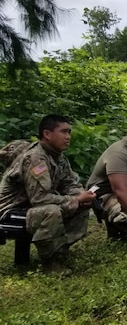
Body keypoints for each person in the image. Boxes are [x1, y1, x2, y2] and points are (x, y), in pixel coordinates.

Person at [0, 115, 96, 272]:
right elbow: (40, 199)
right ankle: (50, 262)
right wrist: (76, 199)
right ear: (47, 134)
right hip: (10, 210)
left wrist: (81, 195)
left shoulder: (58, 157)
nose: (68, 137)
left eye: (69, 132)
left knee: (81, 204)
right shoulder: (35, 158)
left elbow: (69, 183)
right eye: (63, 132)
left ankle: (59, 250)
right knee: (52, 211)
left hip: (29, 206)